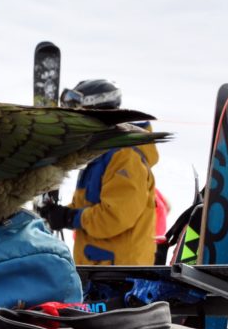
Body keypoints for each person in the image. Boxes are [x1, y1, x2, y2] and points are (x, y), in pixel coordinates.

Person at [38, 79, 160, 266]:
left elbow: (115, 217)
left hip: (119, 273)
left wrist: (70, 218)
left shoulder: (125, 157)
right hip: (100, 265)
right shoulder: (101, 154)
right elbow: (91, 203)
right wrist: (59, 214)